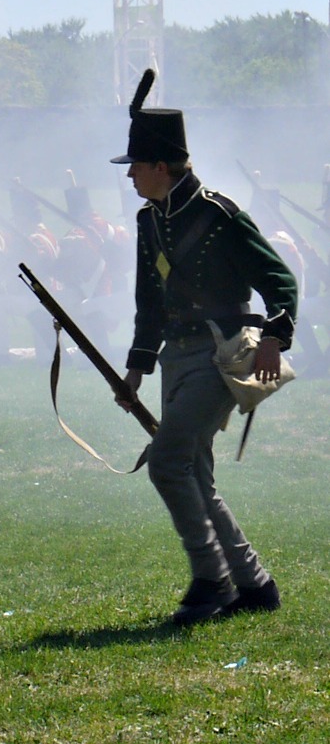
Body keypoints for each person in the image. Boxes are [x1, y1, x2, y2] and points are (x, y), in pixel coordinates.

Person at [113, 70, 296, 625]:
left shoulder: (218, 214)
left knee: (167, 463)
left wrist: (274, 337)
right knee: (194, 473)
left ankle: (211, 581)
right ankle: (253, 583)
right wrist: (137, 370)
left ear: (161, 167)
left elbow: (279, 278)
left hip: (221, 356)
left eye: (137, 168)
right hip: (175, 358)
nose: (132, 178)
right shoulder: (151, 222)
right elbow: (150, 300)